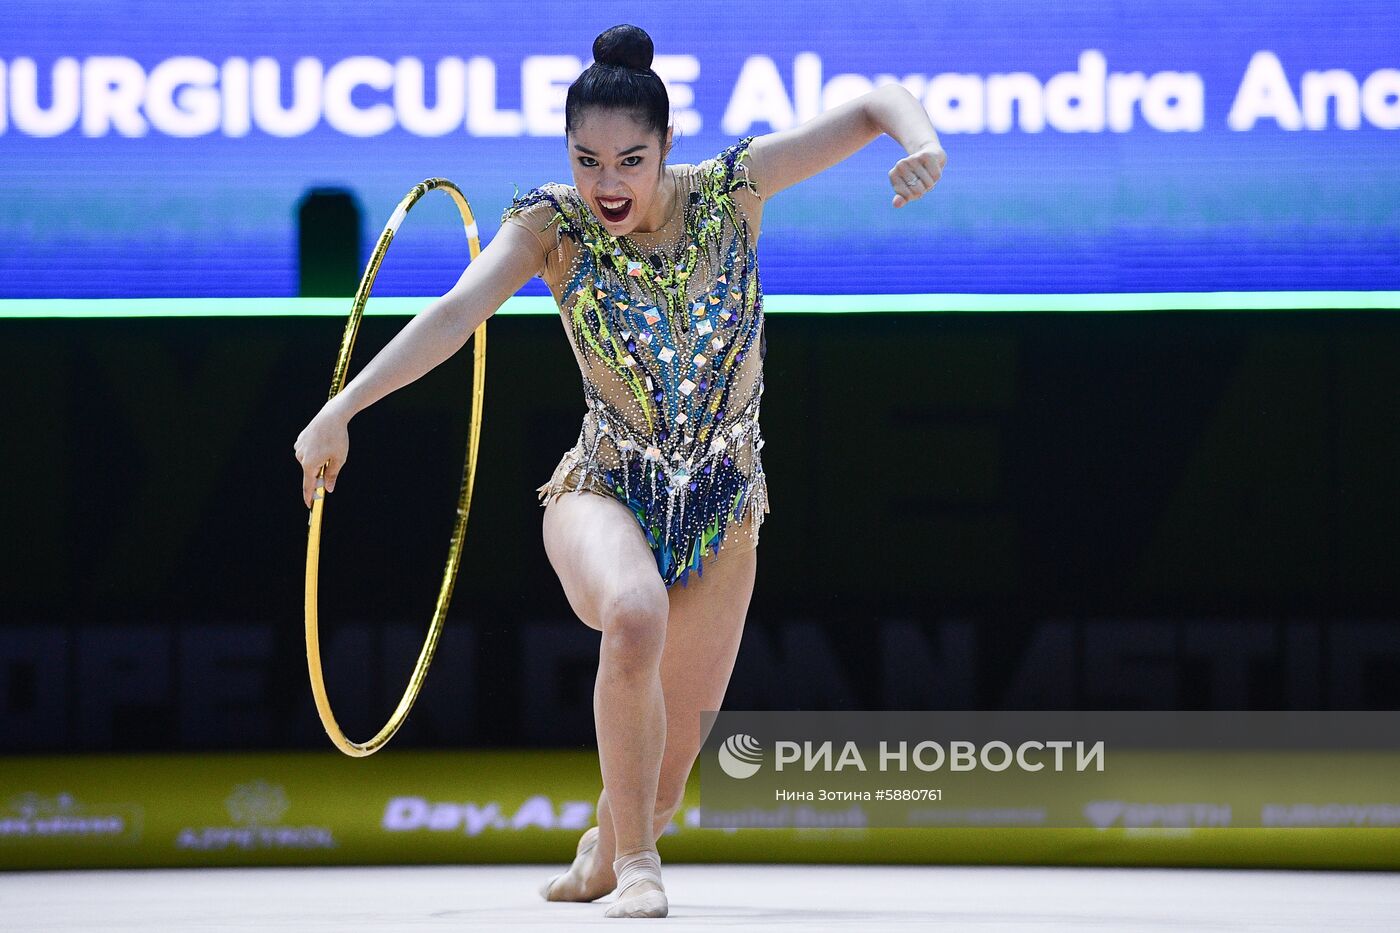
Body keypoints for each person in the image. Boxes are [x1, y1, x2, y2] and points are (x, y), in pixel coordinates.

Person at [294, 22, 945, 920]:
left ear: (668, 147)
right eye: (586, 159)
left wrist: (924, 144)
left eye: (630, 160)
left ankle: (611, 844)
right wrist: (342, 407)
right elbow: (453, 315)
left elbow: (877, 103)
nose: (606, 184)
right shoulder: (550, 225)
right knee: (634, 615)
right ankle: (639, 864)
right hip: (603, 488)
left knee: (666, 780)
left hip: (724, 510)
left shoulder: (735, 191)